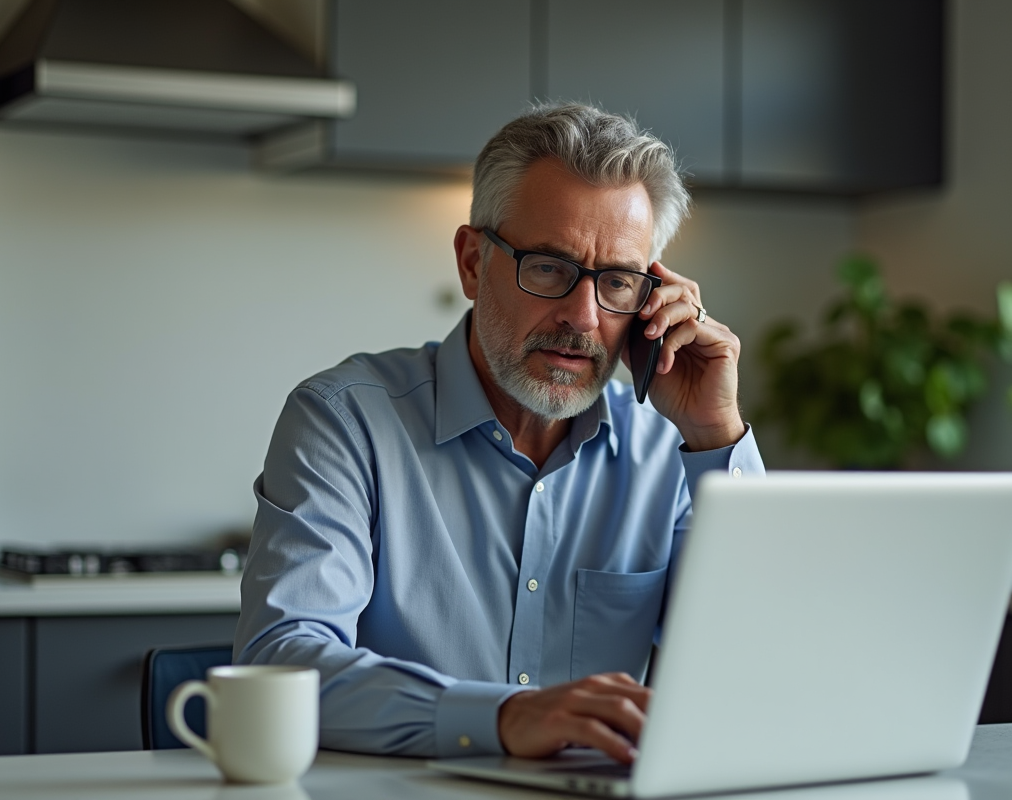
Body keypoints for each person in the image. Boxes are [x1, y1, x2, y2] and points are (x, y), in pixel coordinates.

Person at [234, 103, 765, 764]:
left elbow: (763, 670)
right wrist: (502, 717)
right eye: (547, 267)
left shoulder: (671, 451)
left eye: (618, 282)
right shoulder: (345, 422)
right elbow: (283, 666)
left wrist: (716, 436)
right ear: (471, 263)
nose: (582, 316)